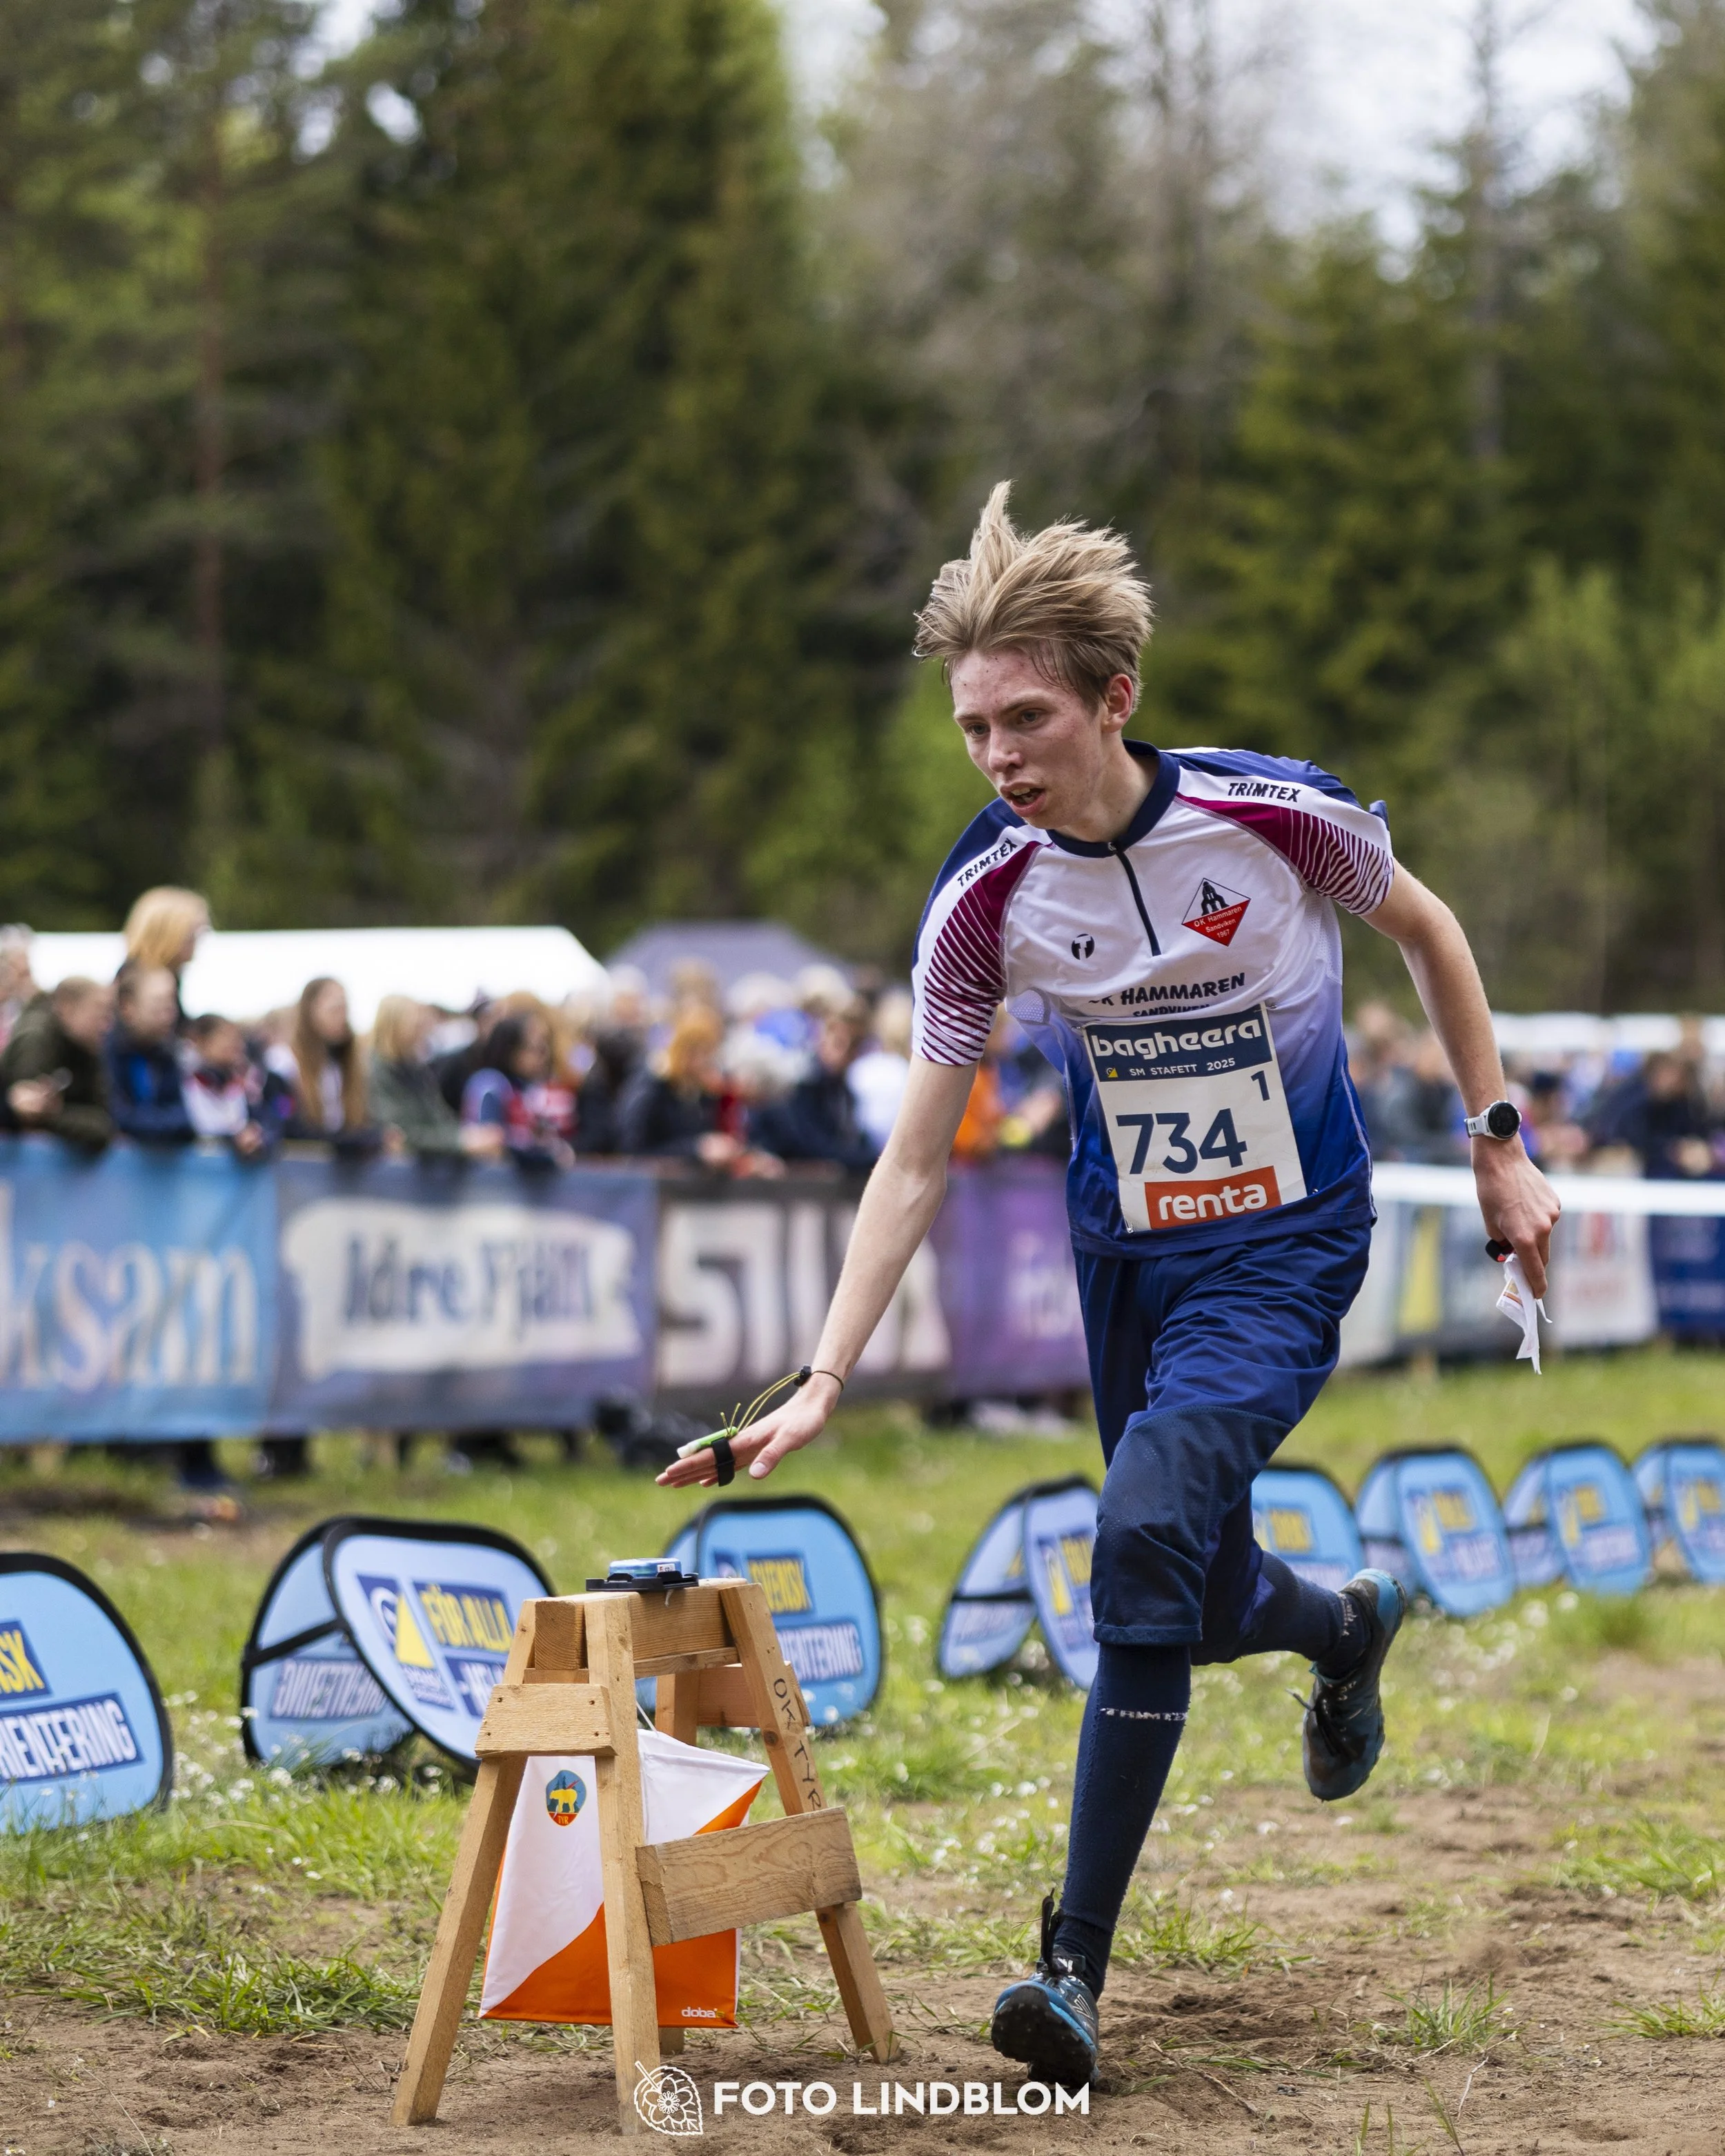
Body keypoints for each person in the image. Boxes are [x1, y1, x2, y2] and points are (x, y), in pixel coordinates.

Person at [657, 484, 1559, 2090]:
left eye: (1028, 718)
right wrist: (820, 1375)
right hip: (1125, 1262)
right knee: (1189, 1588)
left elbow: (1428, 928)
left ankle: (1068, 1966)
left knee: (1138, 1530)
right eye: (971, 729)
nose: (999, 757)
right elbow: (917, 1159)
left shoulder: (1275, 816)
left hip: (1284, 1247)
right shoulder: (985, 898)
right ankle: (1341, 1620)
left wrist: (1499, 1143)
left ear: (1114, 698)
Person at [371, 995, 503, 1159]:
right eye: (415, 1027)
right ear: (396, 1028)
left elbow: (439, 1118)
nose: (422, 1033)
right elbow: (402, 1133)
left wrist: (470, 1135)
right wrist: (462, 1141)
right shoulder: (379, 1072)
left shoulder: (417, 1070)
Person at [750, 1007, 878, 1173]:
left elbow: (852, 1138)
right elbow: (815, 1147)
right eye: (838, 1043)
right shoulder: (803, 1084)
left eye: (853, 1046)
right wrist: (868, 1159)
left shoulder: (844, 1092)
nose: (845, 1053)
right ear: (822, 1039)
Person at [0, 977, 115, 1150]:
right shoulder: (36, 1040)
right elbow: (28, 1118)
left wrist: (55, 1113)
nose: (107, 1025)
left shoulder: (88, 1048)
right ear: (67, 1007)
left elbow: (103, 1122)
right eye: (99, 1011)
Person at [460, 1010, 575, 1167]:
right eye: (536, 1049)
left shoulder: (524, 1088)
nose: (544, 1056)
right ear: (512, 1051)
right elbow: (492, 1144)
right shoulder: (491, 1084)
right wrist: (549, 1157)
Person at [273, 976, 373, 1147]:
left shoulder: (341, 1062)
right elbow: (286, 1126)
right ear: (310, 1011)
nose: (342, 1018)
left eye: (345, 1010)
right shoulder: (283, 1062)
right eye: (335, 1010)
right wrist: (352, 1143)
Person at [107, 967, 193, 1143]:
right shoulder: (106, 1054)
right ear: (127, 1008)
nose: (169, 1015)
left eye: (172, 1004)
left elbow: (185, 1117)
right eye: (158, 1004)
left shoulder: (167, 1054)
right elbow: (115, 1115)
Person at [181, 1016, 273, 1157]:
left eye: (236, 1038)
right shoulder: (187, 1085)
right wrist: (234, 1139)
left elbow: (267, 1121)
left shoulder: (243, 1087)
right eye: (224, 1037)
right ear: (202, 1042)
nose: (235, 1045)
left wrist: (257, 1136)